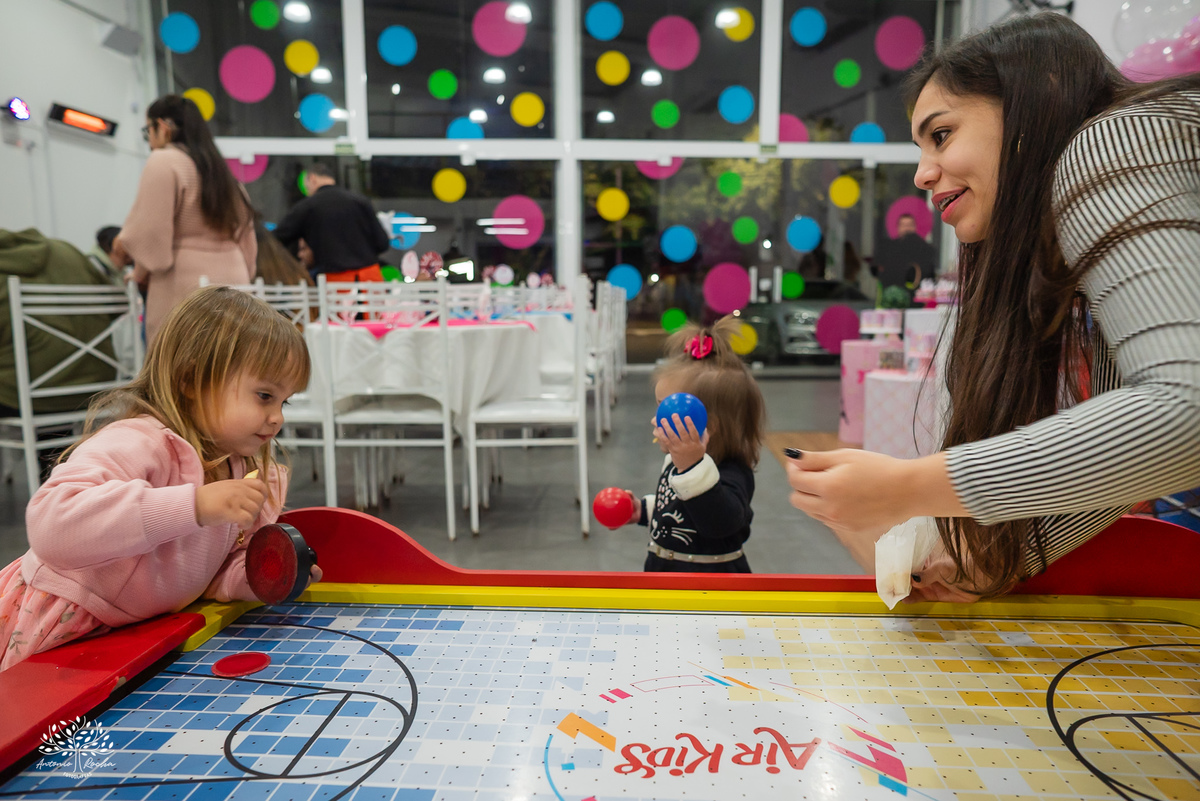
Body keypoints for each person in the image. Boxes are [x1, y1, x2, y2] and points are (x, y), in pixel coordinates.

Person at [786, 14, 1200, 602]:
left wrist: (909, 487)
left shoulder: (1111, 143)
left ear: (1034, 104)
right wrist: (992, 562)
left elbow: (1186, 417)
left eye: (942, 134)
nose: (923, 173)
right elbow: (1127, 460)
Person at [0, 286, 320, 671]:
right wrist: (194, 505)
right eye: (264, 395)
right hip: (61, 620)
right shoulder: (140, 440)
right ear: (191, 380)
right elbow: (51, 524)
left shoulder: (243, 468)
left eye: (284, 402)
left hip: (138, 635)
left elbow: (216, 568)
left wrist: (261, 578)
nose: (277, 418)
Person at [605, 317, 766, 573]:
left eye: (665, 412)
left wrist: (692, 467)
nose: (654, 420)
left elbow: (720, 523)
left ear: (707, 425)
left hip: (712, 589)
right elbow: (679, 506)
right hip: (664, 579)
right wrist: (643, 510)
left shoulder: (732, 472)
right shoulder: (680, 461)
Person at [110, 95, 256, 345]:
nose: (149, 141)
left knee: (178, 366)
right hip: (235, 279)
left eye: (148, 131)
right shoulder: (221, 170)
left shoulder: (164, 160)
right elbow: (247, 239)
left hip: (184, 281)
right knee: (231, 363)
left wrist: (139, 271)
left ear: (163, 127)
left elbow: (151, 234)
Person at [272, 163, 390, 283]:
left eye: (306, 185)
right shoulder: (361, 201)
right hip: (370, 279)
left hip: (337, 282)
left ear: (312, 178)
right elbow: (382, 243)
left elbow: (277, 239)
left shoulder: (307, 207)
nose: (307, 190)